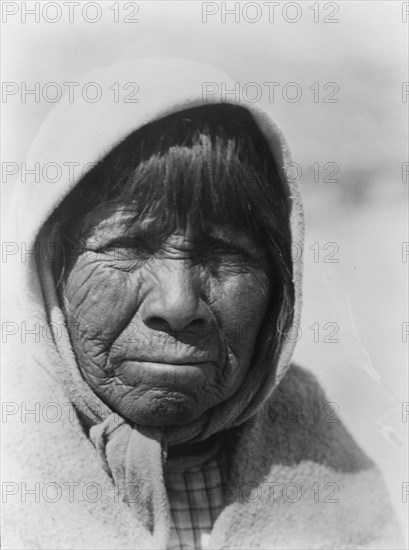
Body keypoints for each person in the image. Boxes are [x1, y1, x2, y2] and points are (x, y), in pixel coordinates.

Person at [3, 58, 402, 549]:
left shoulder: (326, 470)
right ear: (50, 267)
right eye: (127, 247)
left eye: (225, 254)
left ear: (281, 288)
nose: (177, 304)